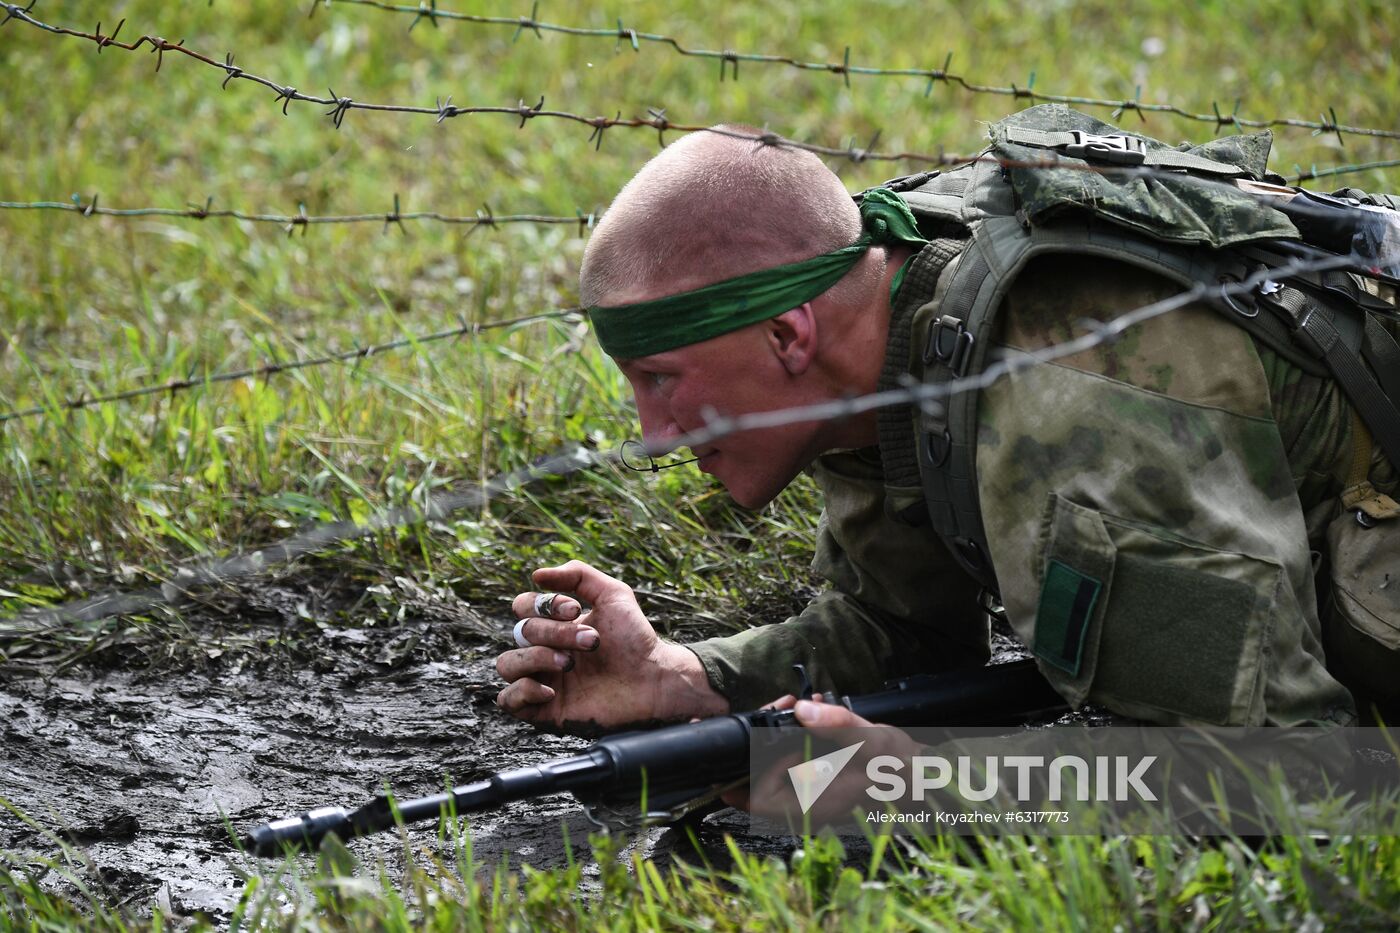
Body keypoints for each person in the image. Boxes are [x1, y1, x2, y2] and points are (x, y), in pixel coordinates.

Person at [493, 120, 1399, 739]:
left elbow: (1288, 777)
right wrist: (682, 676)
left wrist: (910, 787)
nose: (653, 432)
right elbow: (901, 624)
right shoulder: (886, 328)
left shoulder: (1061, 410)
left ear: (786, 334)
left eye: (662, 379)